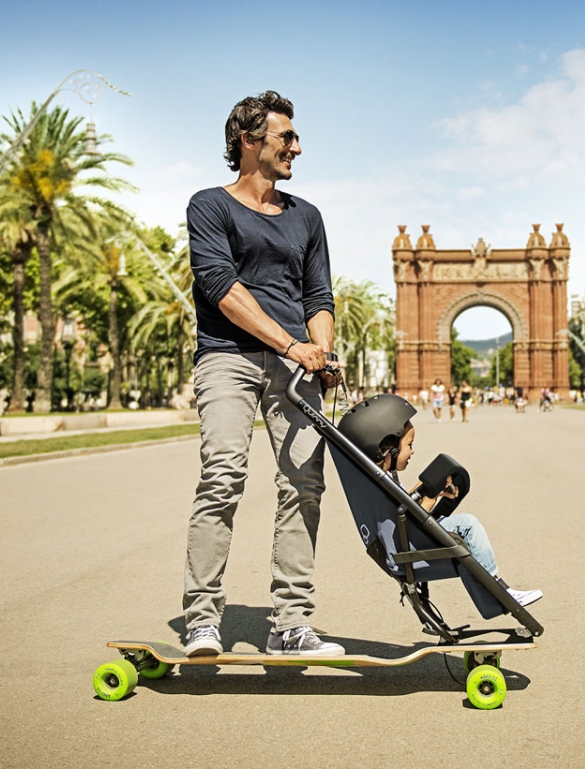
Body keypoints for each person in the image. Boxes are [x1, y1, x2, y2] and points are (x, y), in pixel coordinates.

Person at [183, 90, 344, 658]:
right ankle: (202, 619)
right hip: (227, 356)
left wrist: (322, 352)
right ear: (249, 141)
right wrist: (292, 345)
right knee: (223, 475)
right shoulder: (210, 206)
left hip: (296, 365)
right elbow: (221, 289)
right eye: (286, 137)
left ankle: (291, 624)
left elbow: (318, 296)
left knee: (305, 484)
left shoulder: (307, 216)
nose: (297, 147)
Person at [338, 394, 542, 606]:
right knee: (468, 525)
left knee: (461, 524)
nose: (412, 451)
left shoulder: (375, 481)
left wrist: (434, 488)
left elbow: (405, 506)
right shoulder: (381, 484)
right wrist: (432, 495)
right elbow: (413, 518)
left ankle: (495, 595)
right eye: (409, 445)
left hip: (404, 546)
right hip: (407, 553)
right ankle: (499, 591)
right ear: (388, 448)